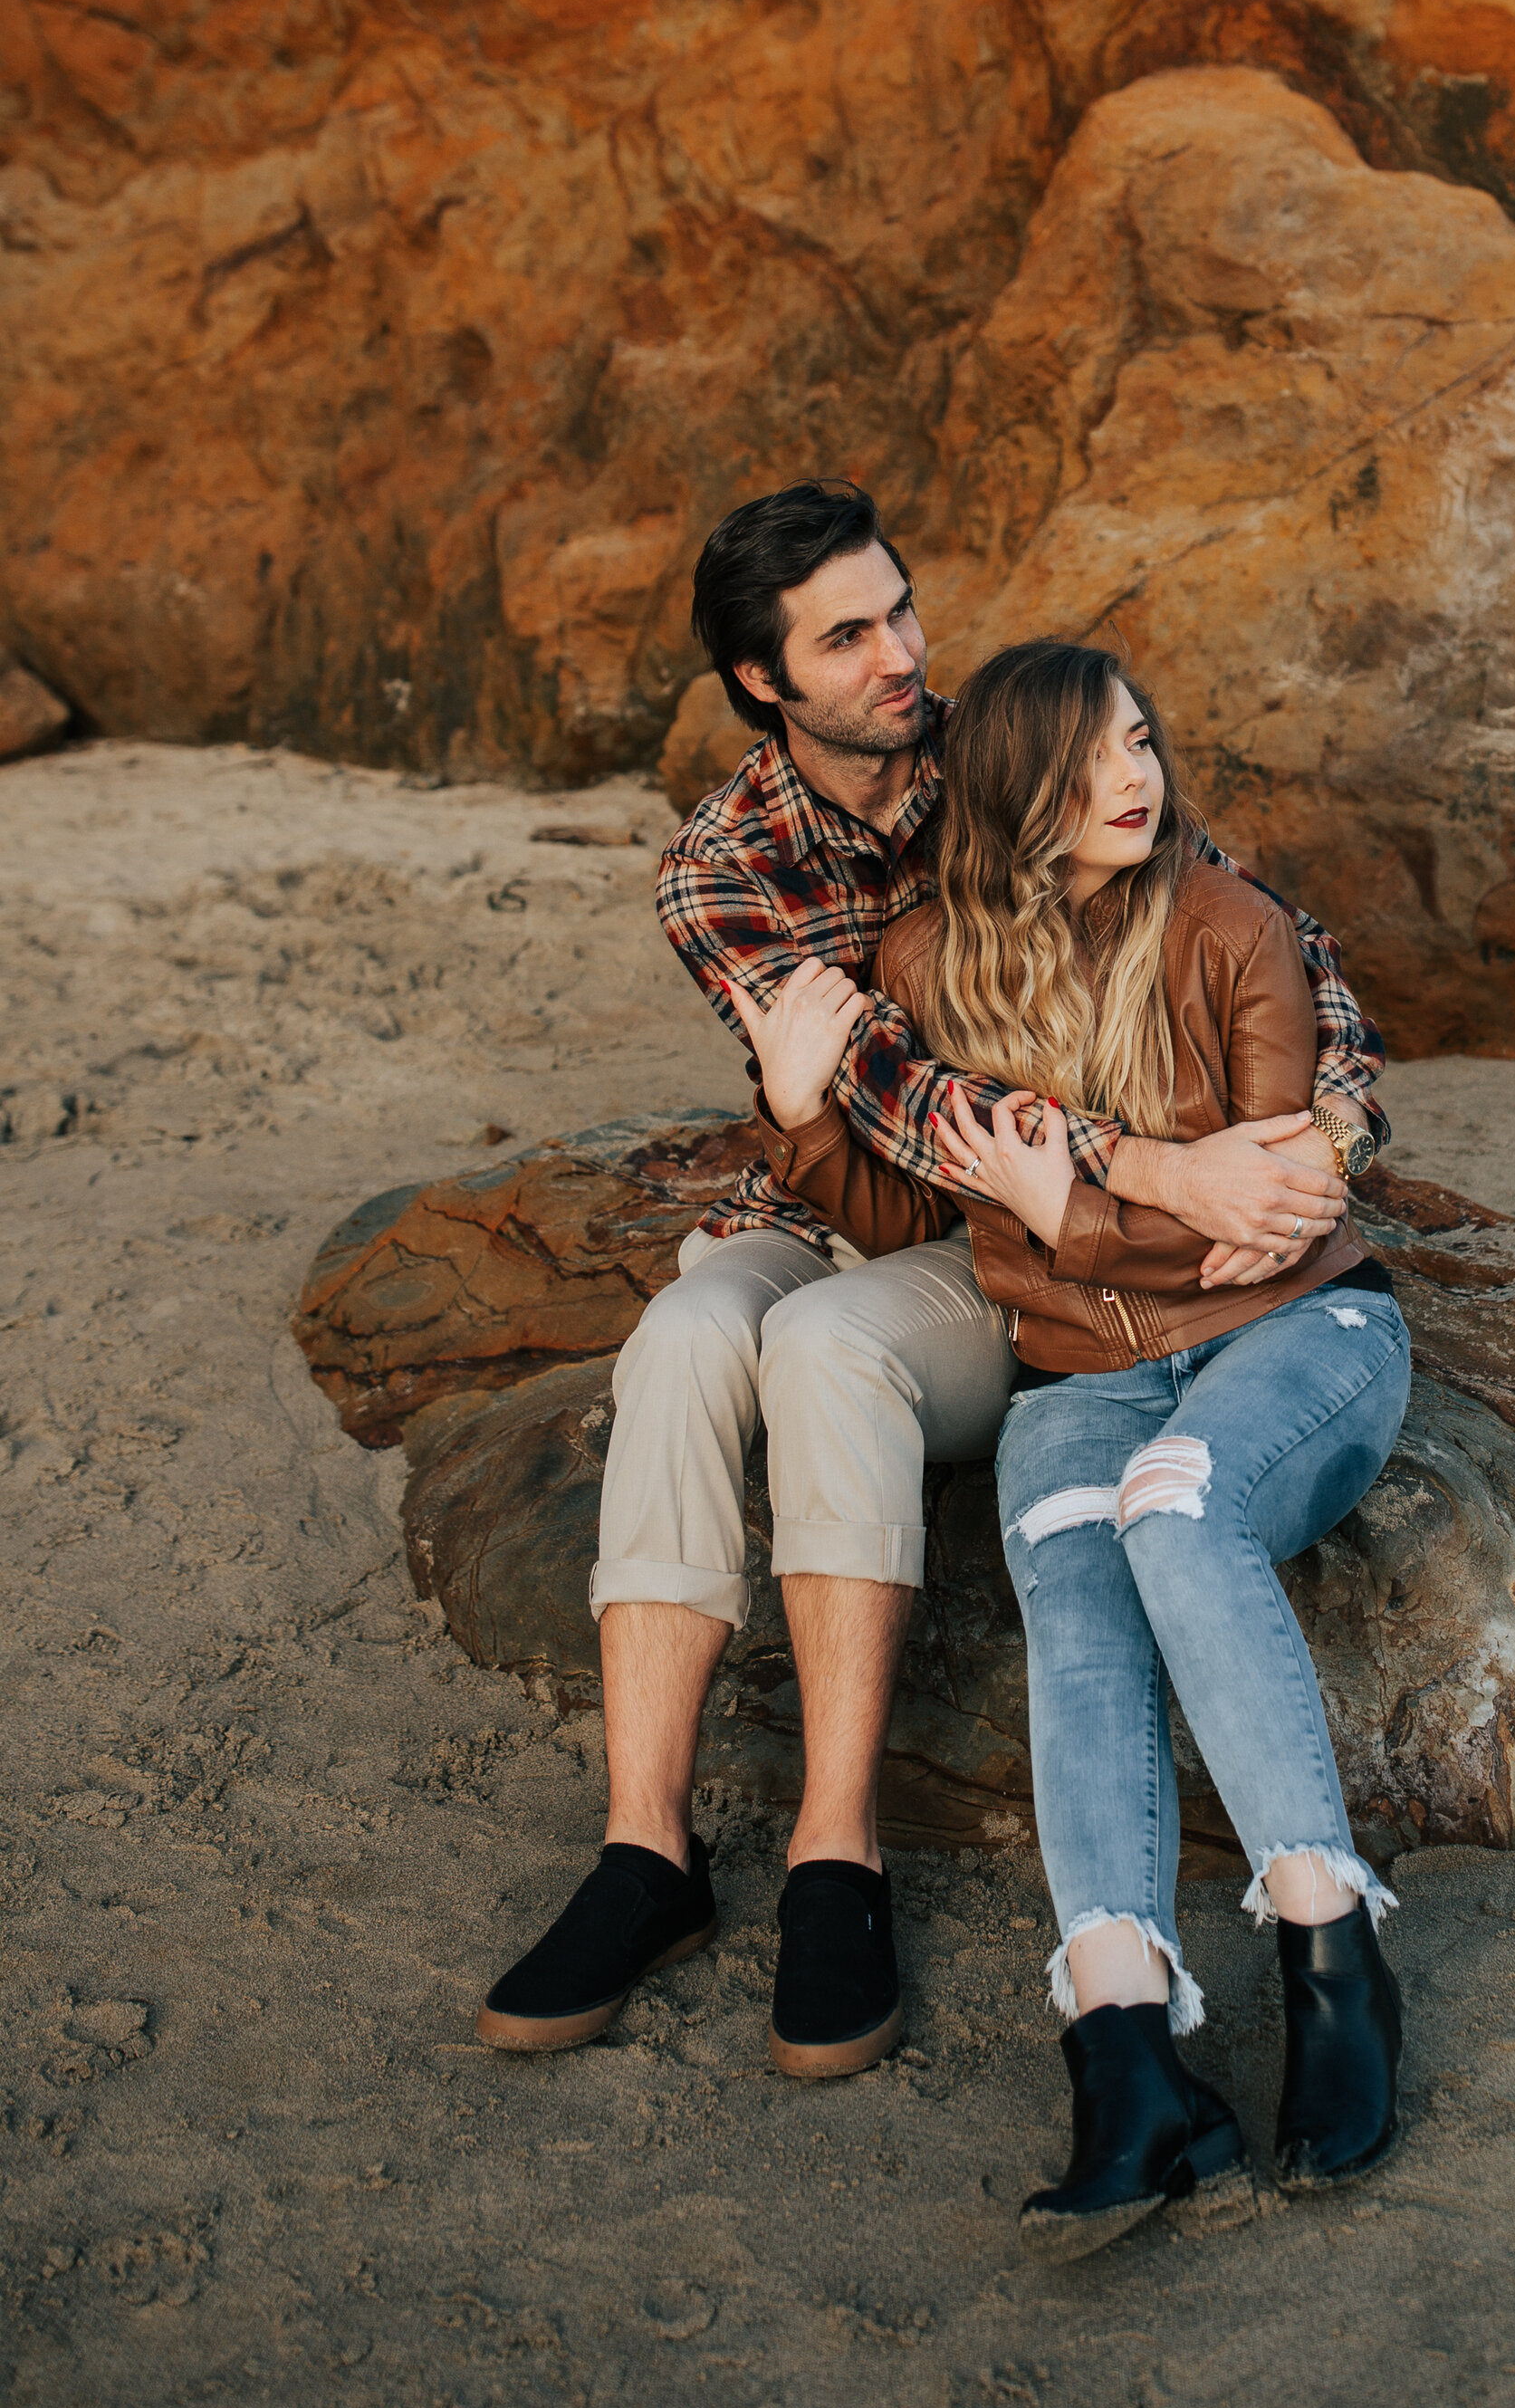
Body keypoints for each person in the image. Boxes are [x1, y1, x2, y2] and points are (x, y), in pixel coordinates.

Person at [476, 484, 1386, 2075]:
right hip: (870, 1189)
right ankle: (647, 1851)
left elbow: (1269, 938)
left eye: (899, 608)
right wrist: (1158, 1170)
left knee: (829, 1343)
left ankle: (840, 1845)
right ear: (766, 682)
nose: (901, 652)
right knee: (689, 1331)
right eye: (848, 636)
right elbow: (889, 1089)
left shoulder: (1019, 745)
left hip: (986, 1245)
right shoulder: (720, 865)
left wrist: (1326, 1126)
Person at [750, 638, 1411, 2259]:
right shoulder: (928, 964)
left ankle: (1335, 1962)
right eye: (1088, 760)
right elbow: (911, 1217)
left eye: (1138, 741)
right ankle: (1128, 2066)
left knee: (1176, 1512)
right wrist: (802, 1113)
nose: (1133, 777)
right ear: (1007, 797)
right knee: (1069, 1573)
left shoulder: (1231, 928)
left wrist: (1074, 1215)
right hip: (1074, 1379)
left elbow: (1276, 1224)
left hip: (1294, 1342)